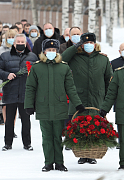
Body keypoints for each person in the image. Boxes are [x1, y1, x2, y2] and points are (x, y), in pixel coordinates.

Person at [24, 39, 85, 172]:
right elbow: (30, 88)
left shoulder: (64, 67)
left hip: (59, 106)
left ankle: (59, 162)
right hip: (43, 107)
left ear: (57, 51)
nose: (51, 52)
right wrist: (29, 105)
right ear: (44, 51)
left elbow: (71, 88)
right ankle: (48, 162)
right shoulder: (36, 67)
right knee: (46, 136)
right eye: (48, 50)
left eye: (53, 50)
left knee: (57, 136)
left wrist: (78, 104)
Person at [62, 32, 113, 165]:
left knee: (94, 126)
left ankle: (92, 154)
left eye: (91, 43)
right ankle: (81, 154)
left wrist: (107, 101)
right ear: (81, 45)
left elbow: (109, 81)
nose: (88, 45)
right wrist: (74, 47)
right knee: (80, 126)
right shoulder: (75, 57)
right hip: (79, 98)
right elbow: (62, 59)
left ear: (95, 44)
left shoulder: (103, 59)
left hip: (97, 99)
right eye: (85, 43)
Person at [0, 34, 38, 151]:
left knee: (26, 120)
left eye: (22, 42)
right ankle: (8, 143)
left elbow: (38, 73)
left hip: (26, 93)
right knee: (9, 120)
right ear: (13, 43)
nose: (20, 44)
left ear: (25, 43)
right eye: (17, 41)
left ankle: (27, 143)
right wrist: (6, 75)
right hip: (10, 92)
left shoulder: (32, 57)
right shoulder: (5, 56)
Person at [0, 30, 16, 125]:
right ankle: (7, 126)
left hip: (16, 81)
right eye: (9, 37)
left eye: (13, 37)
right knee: (5, 105)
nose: (11, 39)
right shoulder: (0, 50)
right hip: (3, 81)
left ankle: (13, 126)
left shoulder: (19, 49)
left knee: (14, 106)